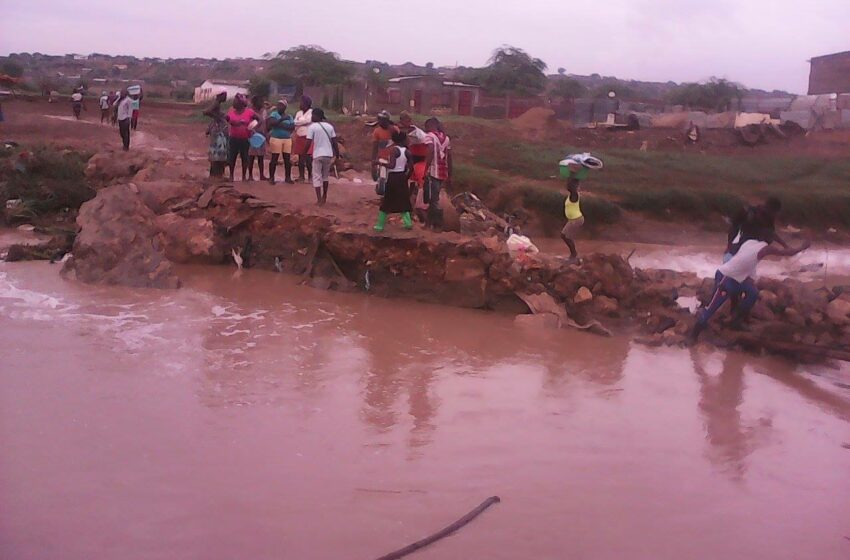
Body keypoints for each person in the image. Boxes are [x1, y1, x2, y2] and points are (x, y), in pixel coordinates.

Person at [691, 231, 810, 340]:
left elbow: (748, 262)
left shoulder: (750, 242)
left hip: (739, 279)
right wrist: (802, 247)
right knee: (712, 308)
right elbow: (785, 252)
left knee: (753, 293)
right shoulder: (764, 249)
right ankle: (693, 336)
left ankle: (735, 321)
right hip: (726, 277)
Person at [724, 197, 787, 262]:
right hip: (741, 244)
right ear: (770, 209)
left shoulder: (769, 217)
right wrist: (729, 246)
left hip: (752, 246)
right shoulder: (747, 212)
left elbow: (771, 233)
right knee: (730, 261)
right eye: (775, 213)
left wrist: (785, 246)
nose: (776, 215)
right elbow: (733, 228)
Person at [374, 130, 414, 232]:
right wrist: (406, 177)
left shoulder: (394, 150)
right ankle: (408, 223)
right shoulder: (407, 151)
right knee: (404, 201)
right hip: (402, 178)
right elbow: (411, 168)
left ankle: (380, 225)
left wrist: (379, 163)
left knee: (387, 200)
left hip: (393, 177)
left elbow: (392, 165)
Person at [422, 117, 452, 230]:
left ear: (430, 125)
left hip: (433, 171)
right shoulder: (446, 138)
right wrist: (450, 175)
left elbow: (429, 152)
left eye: (426, 127)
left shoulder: (429, 136)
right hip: (443, 172)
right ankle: (430, 223)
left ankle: (437, 224)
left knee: (433, 199)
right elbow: (449, 157)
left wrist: (424, 169)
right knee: (434, 198)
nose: (425, 130)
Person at [304, 108, 338, 205]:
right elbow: (334, 141)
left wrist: (304, 153)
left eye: (312, 115)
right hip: (328, 154)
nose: (311, 117)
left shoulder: (312, 127)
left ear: (316, 116)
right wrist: (337, 154)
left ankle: (319, 200)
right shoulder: (329, 126)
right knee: (325, 177)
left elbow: (308, 142)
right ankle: (324, 196)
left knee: (317, 176)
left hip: (318, 154)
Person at [225, 93, 258, 182]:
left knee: (245, 157)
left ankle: (244, 176)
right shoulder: (231, 112)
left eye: (236, 101)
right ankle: (231, 176)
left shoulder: (249, 112)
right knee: (232, 157)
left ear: (241, 103)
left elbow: (258, 119)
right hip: (233, 137)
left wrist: (252, 126)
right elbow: (226, 120)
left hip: (245, 138)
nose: (234, 103)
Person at [398, 111, 428, 207]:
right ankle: (408, 200)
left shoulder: (418, 133)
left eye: (407, 120)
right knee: (410, 180)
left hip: (420, 160)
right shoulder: (403, 131)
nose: (405, 123)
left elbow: (426, 144)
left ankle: (420, 205)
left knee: (420, 181)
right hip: (411, 159)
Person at [267, 99, 295, 184]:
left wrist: (279, 124)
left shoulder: (289, 116)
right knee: (274, 158)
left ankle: (288, 177)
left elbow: (292, 127)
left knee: (287, 159)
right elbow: (272, 124)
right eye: (278, 105)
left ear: (285, 107)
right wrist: (282, 120)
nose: (279, 107)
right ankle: (271, 178)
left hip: (287, 139)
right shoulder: (274, 114)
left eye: (281, 105)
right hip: (276, 138)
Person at [202, 91, 229, 177]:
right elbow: (206, 111)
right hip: (218, 129)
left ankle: (216, 173)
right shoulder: (216, 103)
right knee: (218, 150)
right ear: (220, 95)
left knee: (218, 151)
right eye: (224, 95)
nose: (226, 97)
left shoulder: (217, 103)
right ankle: (216, 173)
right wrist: (217, 117)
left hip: (218, 128)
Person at [560, 175, 583, 261]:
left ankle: (574, 255)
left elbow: (570, 187)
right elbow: (569, 186)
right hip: (573, 219)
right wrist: (570, 174)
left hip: (576, 219)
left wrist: (572, 175)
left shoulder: (575, 195)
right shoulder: (572, 195)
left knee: (566, 236)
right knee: (565, 236)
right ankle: (573, 254)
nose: (568, 187)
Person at [371, 110, 399, 179]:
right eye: (379, 119)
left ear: (387, 120)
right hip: (382, 158)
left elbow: (400, 143)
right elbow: (375, 147)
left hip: (394, 158)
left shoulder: (394, 129)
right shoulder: (377, 131)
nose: (380, 122)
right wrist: (373, 162)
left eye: (383, 120)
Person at [292, 96, 314, 183]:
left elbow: (308, 121)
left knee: (308, 158)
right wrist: (301, 122)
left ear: (306, 104)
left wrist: (299, 122)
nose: (300, 104)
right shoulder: (299, 113)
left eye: (301, 102)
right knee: (300, 158)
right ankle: (301, 176)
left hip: (308, 137)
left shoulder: (311, 112)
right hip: (300, 137)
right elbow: (295, 122)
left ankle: (310, 176)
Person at [247, 95, 268, 181]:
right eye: (260, 102)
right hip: (252, 135)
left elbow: (264, 123)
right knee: (251, 156)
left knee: (260, 157)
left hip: (261, 134)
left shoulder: (263, 111)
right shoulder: (251, 111)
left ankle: (261, 175)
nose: (262, 104)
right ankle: (250, 176)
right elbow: (260, 121)